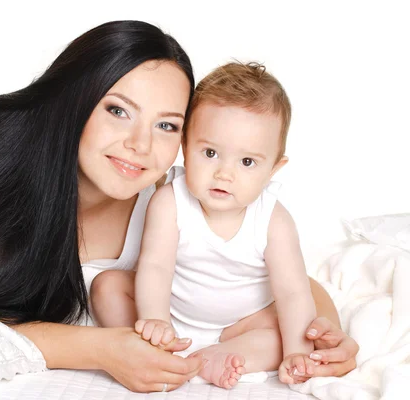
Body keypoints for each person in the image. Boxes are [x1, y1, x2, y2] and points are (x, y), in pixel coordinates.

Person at [0, 21, 359, 393]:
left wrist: (325, 341)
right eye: (117, 110)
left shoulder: (170, 193)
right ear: (76, 98)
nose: (139, 145)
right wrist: (102, 350)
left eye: (167, 126)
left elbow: (284, 282)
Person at [91, 61, 321, 389]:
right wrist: (155, 319)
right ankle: (153, 349)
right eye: (210, 153)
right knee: (107, 286)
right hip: (170, 314)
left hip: (242, 323)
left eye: (247, 162)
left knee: (284, 327)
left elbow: (294, 291)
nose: (224, 173)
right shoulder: (170, 202)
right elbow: (155, 268)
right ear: (185, 147)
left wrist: (298, 352)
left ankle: (218, 355)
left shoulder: (274, 220)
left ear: (273, 168)